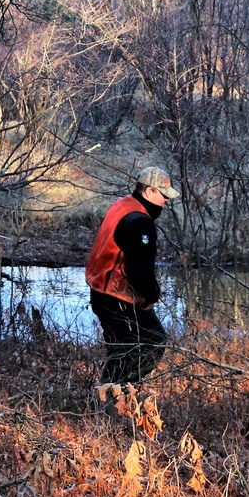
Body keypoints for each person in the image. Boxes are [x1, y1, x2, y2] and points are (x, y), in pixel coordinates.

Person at [85, 165, 179, 385]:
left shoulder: (122, 205)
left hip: (101, 291)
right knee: (150, 343)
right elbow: (140, 271)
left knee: (122, 349)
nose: (166, 200)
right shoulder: (140, 222)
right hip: (117, 296)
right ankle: (116, 398)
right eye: (163, 195)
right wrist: (150, 296)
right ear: (149, 191)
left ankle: (111, 398)